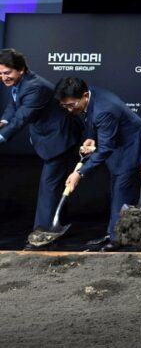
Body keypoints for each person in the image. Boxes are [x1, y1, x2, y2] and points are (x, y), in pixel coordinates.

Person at [54, 77, 141, 251]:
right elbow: (93, 121)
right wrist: (92, 138)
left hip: (132, 145)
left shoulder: (104, 109)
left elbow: (105, 149)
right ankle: (113, 233)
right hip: (118, 144)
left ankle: (116, 240)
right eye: (65, 106)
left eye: (72, 105)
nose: (69, 110)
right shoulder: (91, 95)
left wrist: (79, 173)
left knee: (121, 190)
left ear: (84, 95)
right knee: (116, 188)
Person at [0, 49, 81, 249]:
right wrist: (3, 120)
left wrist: (2, 135)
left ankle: (42, 234)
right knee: (54, 184)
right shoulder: (21, 83)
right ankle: (55, 225)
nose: (3, 77)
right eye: (0, 74)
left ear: (21, 69)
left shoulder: (35, 87)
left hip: (59, 138)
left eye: (7, 73)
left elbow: (22, 117)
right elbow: (13, 105)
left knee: (49, 185)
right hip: (48, 137)